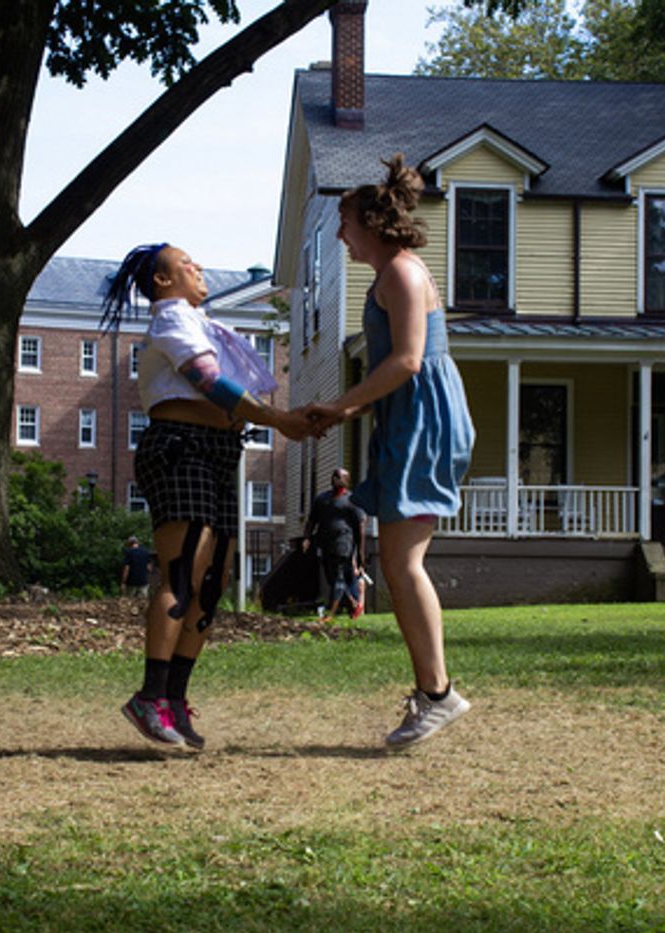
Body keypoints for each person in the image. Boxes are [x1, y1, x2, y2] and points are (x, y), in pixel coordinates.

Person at [102, 243, 310, 749]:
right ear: (162, 282)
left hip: (217, 452)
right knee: (181, 573)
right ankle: (149, 696)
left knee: (212, 582)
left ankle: (174, 699)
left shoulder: (204, 323)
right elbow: (208, 382)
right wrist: (279, 420)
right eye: (186, 264)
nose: (198, 268)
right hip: (180, 449)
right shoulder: (172, 320)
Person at [305, 154, 476, 749]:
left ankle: (437, 695)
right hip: (410, 417)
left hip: (421, 419)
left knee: (403, 565)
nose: (339, 235)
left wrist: (342, 407)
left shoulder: (401, 273)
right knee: (399, 563)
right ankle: (433, 692)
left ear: (373, 224)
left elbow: (406, 360)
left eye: (345, 223)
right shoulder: (394, 273)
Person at [303, 467, 367, 621]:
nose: (338, 479)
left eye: (341, 477)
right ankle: (354, 605)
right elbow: (312, 520)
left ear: (347, 481)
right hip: (324, 544)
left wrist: (360, 554)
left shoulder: (352, 500)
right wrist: (307, 538)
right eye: (336, 476)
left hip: (343, 544)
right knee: (332, 579)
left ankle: (330, 614)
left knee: (338, 577)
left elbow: (361, 527)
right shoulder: (322, 499)